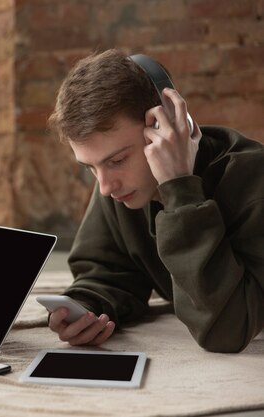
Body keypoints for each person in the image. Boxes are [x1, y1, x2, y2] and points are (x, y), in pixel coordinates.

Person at [46, 49, 264, 353]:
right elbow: (109, 271)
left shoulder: (253, 179)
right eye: (90, 168)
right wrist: (87, 307)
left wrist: (179, 189)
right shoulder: (124, 186)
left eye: (118, 160)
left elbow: (226, 329)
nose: (105, 187)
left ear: (170, 126)